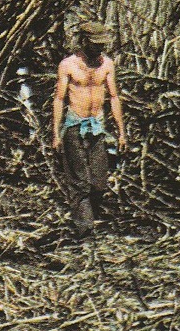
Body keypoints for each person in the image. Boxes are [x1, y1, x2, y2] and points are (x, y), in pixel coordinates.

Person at [52, 20, 127, 236]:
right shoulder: (68, 65)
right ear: (84, 41)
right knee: (79, 181)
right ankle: (85, 229)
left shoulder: (107, 64)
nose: (99, 49)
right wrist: (56, 134)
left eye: (102, 44)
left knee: (99, 181)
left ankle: (90, 217)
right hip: (75, 124)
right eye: (95, 44)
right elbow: (59, 99)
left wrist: (121, 132)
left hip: (97, 126)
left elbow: (113, 97)